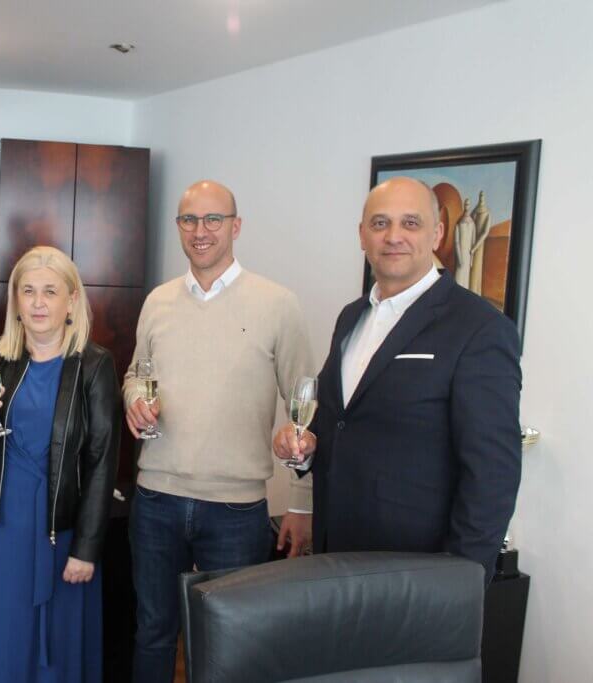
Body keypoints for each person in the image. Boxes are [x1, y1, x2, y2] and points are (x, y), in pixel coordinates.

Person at [274, 176, 522, 582]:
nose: (393, 236)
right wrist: (304, 447)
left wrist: (460, 583)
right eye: (380, 223)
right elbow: (340, 423)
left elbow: (493, 475)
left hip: (415, 573)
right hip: (336, 558)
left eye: (410, 223)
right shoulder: (351, 317)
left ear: (437, 233)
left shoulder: (479, 328)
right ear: (362, 235)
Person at [123, 180, 315, 682]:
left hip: (235, 510)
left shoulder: (278, 304)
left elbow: (304, 408)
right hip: (156, 499)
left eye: (213, 219)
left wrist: (301, 503)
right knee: (152, 632)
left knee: (228, 642)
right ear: (179, 227)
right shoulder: (158, 301)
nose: (200, 231)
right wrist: (134, 400)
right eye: (189, 220)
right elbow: (135, 374)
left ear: (236, 226)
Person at [0, 246, 119, 683]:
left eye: (50, 291)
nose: (38, 303)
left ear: (71, 300)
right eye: (28, 291)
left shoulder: (95, 365)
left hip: (61, 530)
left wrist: (86, 549)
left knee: (57, 646)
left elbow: (102, 463)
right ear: (16, 301)